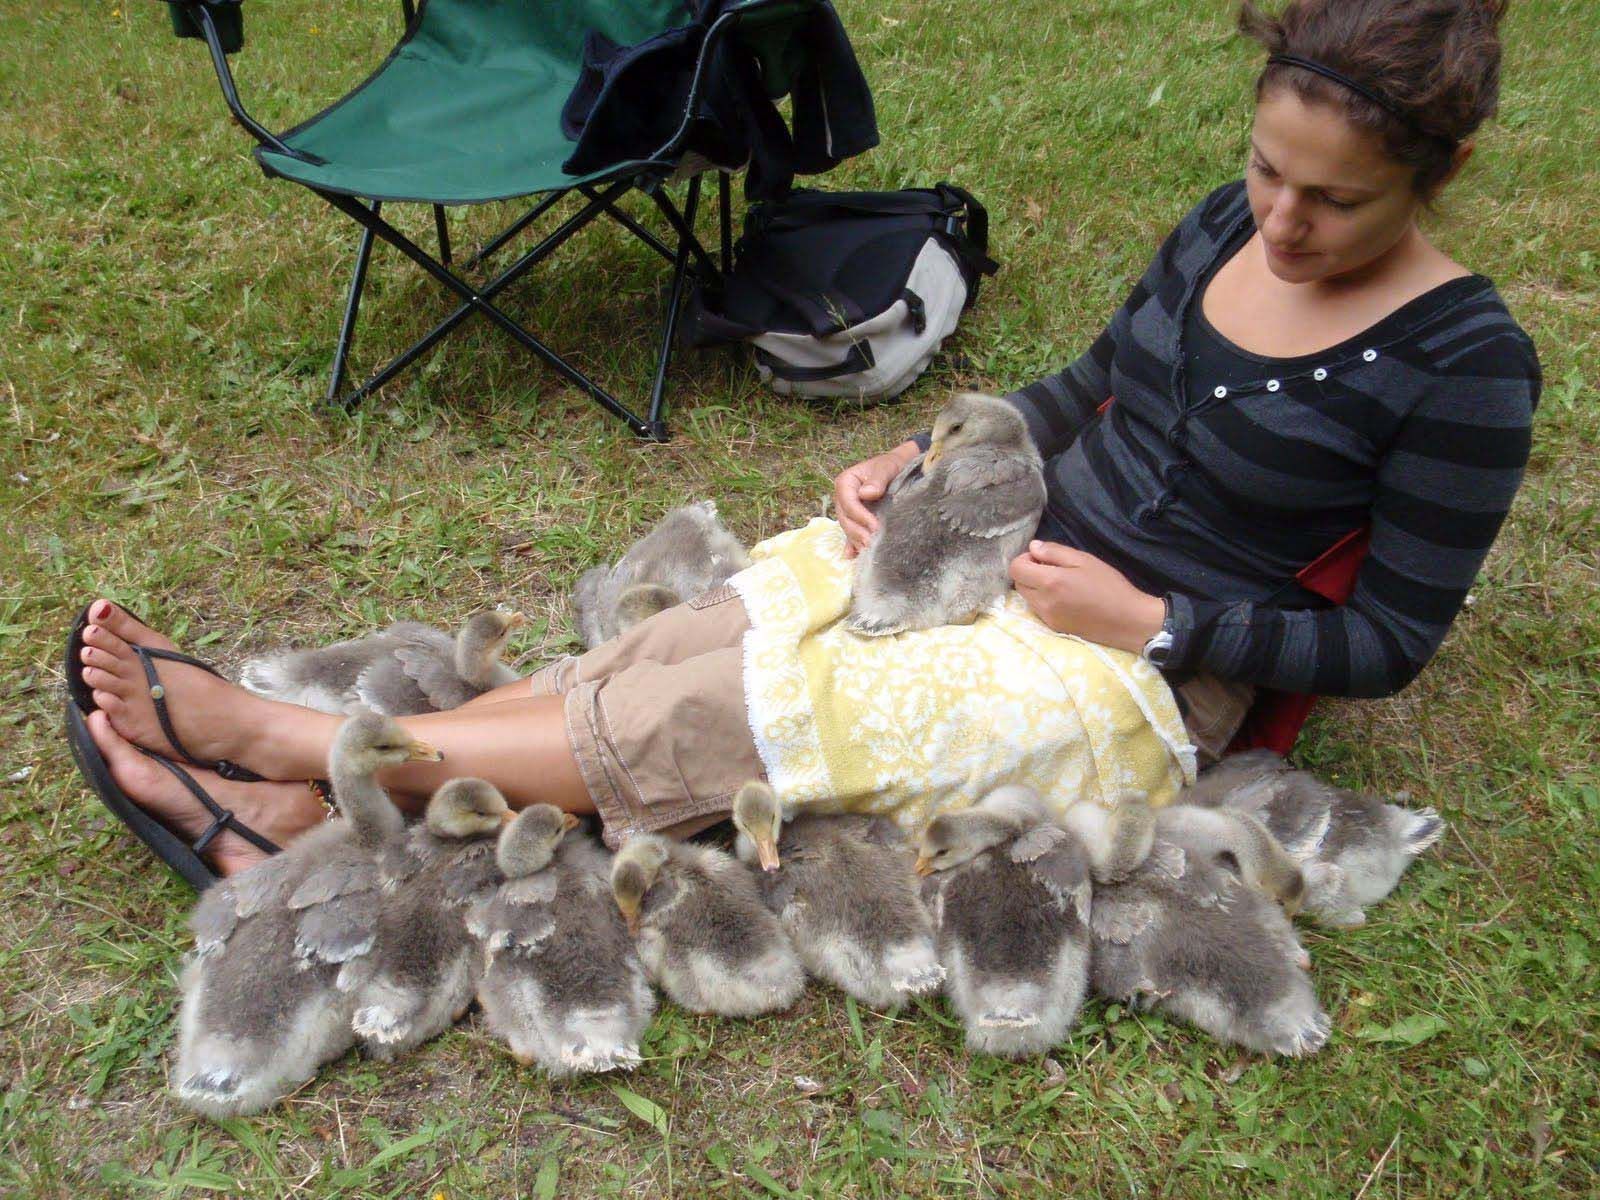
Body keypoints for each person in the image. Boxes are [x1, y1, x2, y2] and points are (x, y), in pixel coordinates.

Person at [68, 0, 1537, 882]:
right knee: (704, 642)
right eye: (1268, 170)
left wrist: (1155, 621)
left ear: (1443, 173)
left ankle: (288, 748)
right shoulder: (1224, 225)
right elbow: (1087, 381)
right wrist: (934, 447)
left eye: (1333, 204)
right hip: (1007, 549)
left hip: (1141, 680)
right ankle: (311, 808)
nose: (1279, 222)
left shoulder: (1464, 365)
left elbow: (1392, 643)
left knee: (753, 714)